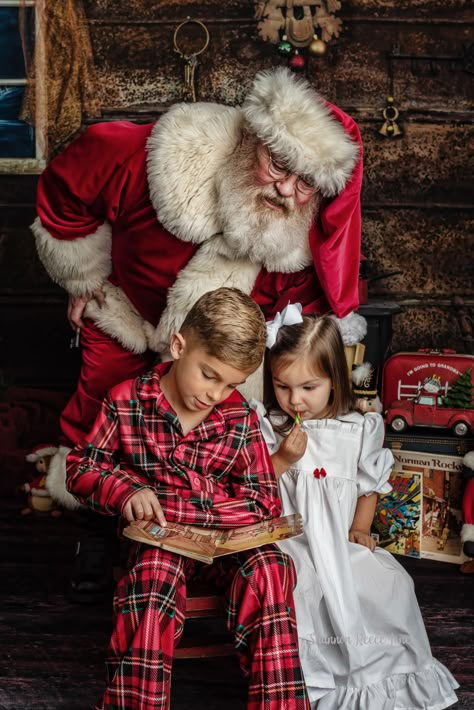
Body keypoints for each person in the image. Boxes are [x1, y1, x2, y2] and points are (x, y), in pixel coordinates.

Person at [32, 65, 365, 601]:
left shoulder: (300, 230)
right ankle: (94, 534)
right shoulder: (159, 154)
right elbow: (66, 189)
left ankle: (205, 546)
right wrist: (82, 272)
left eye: (306, 183)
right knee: (97, 410)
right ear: (255, 137)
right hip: (128, 313)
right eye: (278, 164)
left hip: (220, 347)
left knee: (218, 438)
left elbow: (297, 304)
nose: (286, 190)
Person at [65, 287, 311, 710]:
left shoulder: (239, 418)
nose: (215, 394)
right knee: (154, 579)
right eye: (209, 374)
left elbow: (262, 502)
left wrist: (187, 506)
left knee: (271, 567)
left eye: (231, 383)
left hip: (225, 548)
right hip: (159, 546)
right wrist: (127, 489)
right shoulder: (126, 401)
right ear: (179, 346)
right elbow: (81, 467)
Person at [252, 306, 459, 710]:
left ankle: (384, 680)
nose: (294, 399)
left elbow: (369, 487)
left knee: (390, 583)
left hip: (338, 542)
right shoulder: (269, 427)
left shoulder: (356, 430)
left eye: (308, 387)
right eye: (282, 386)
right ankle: (311, 681)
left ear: (334, 380)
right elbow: (255, 486)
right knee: (302, 591)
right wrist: (282, 460)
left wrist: (361, 528)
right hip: (291, 542)